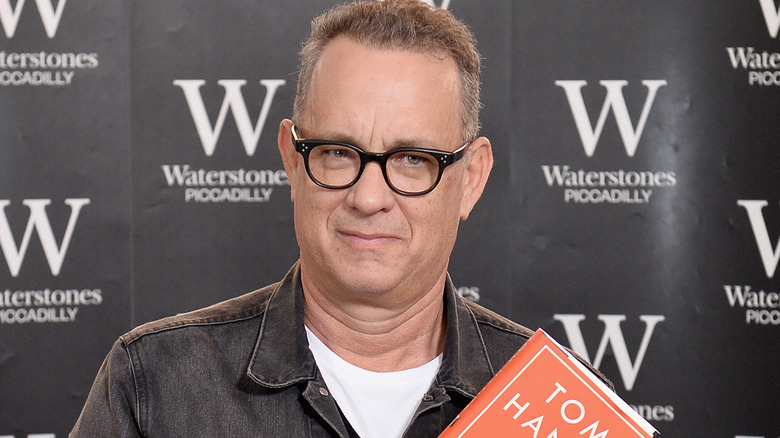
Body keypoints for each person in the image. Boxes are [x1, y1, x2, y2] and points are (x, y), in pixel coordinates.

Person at [72, 1, 606, 436]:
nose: (369, 197)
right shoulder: (153, 388)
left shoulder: (568, 408)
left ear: (470, 179)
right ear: (291, 159)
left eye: (413, 160)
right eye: (338, 153)